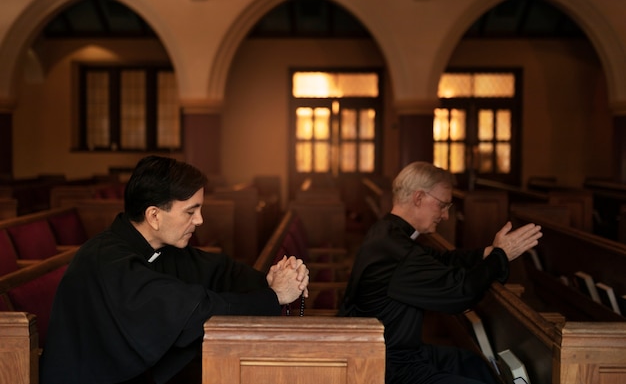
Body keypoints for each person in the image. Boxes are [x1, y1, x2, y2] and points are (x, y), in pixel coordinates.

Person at [40, 155, 309, 384]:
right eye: (190, 212)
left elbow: (220, 271)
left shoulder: (158, 245)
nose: (200, 220)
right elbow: (191, 311)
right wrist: (273, 297)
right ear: (154, 216)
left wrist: (269, 280)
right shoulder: (106, 261)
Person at [337, 161, 542, 384]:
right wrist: (500, 256)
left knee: (473, 363)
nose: (445, 215)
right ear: (418, 198)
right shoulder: (397, 251)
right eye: (443, 205)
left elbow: (442, 260)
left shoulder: (387, 232)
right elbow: (459, 294)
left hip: (401, 353)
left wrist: (489, 253)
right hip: (386, 366)